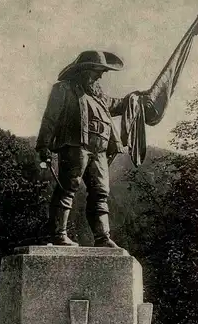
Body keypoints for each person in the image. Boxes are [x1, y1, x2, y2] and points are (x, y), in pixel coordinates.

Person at [36, 50, 134, 248]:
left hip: (99, 150)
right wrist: (43, 145)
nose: (101, 76)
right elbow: (50, 118)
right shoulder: (63, 89)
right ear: (84, 70)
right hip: (75, 146)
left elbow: (119, 105)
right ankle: (58, 234)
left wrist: (134, 100)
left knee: (100, 192)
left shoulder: (99, 96)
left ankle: (102, 237)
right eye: (98, 71)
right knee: (68, 186)